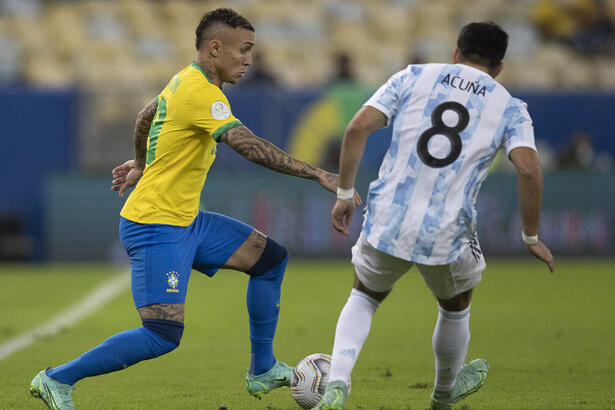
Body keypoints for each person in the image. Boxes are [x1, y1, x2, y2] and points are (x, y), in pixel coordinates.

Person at [29, 8, 359, 410]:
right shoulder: (200, 91)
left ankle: (263, 369)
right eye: (244, 49)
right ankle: (55, 379)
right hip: (154, 224)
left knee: (270, 259)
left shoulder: (184, 80)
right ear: (215, 48)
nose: (249, 59)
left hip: (187, 220)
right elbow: (246, 144)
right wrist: (317, 174)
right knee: (162, 334)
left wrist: (140, 163)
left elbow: (144, 115)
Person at [314, 22, 555, 410]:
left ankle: (337, 384)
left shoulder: (414, 75)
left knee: (364, 295)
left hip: (388, 216)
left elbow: (357, 127)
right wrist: (531, 236)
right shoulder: (509, 106)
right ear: (499, 68)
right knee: (455, 306)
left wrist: (344, 193)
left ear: (456, 53)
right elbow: (528, 169)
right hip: (447, 230)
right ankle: (443, 394)